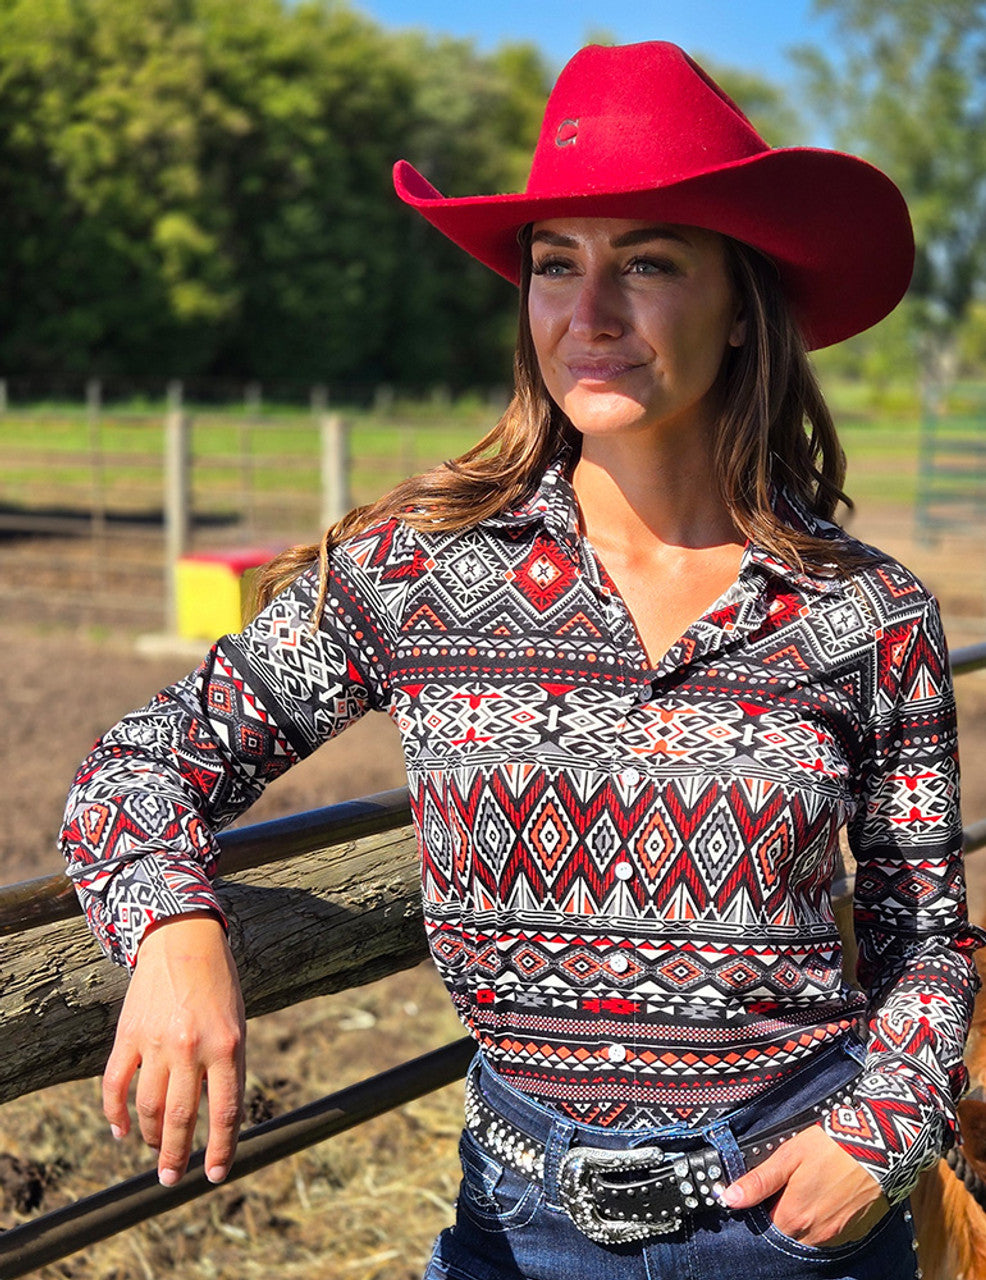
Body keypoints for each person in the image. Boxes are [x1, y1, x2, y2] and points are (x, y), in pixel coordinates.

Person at [60, 40, 984, 1280]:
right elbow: (138, 764)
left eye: (646, 262)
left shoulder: (864, 613)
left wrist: (879, 1134)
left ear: (741, 303)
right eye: (557, 263)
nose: (587, 311)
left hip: (796, 1224)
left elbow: (923, 930)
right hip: (519, 1229)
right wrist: (175, 933)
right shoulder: (415, 570)